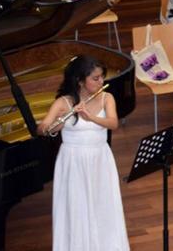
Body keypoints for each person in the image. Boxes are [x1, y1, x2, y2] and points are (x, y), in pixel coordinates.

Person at [38, 55, 130, 251]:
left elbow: (113, 123)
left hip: (100, 158)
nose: (101, 82)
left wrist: (90, 118)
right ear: (80, 80)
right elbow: (42, 127)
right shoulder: (64, 102)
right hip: (73, 161)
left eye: (101, 77)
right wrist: (58, 124)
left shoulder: (107, 97)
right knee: (76, 207)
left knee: (103, 204)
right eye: (95, 78)